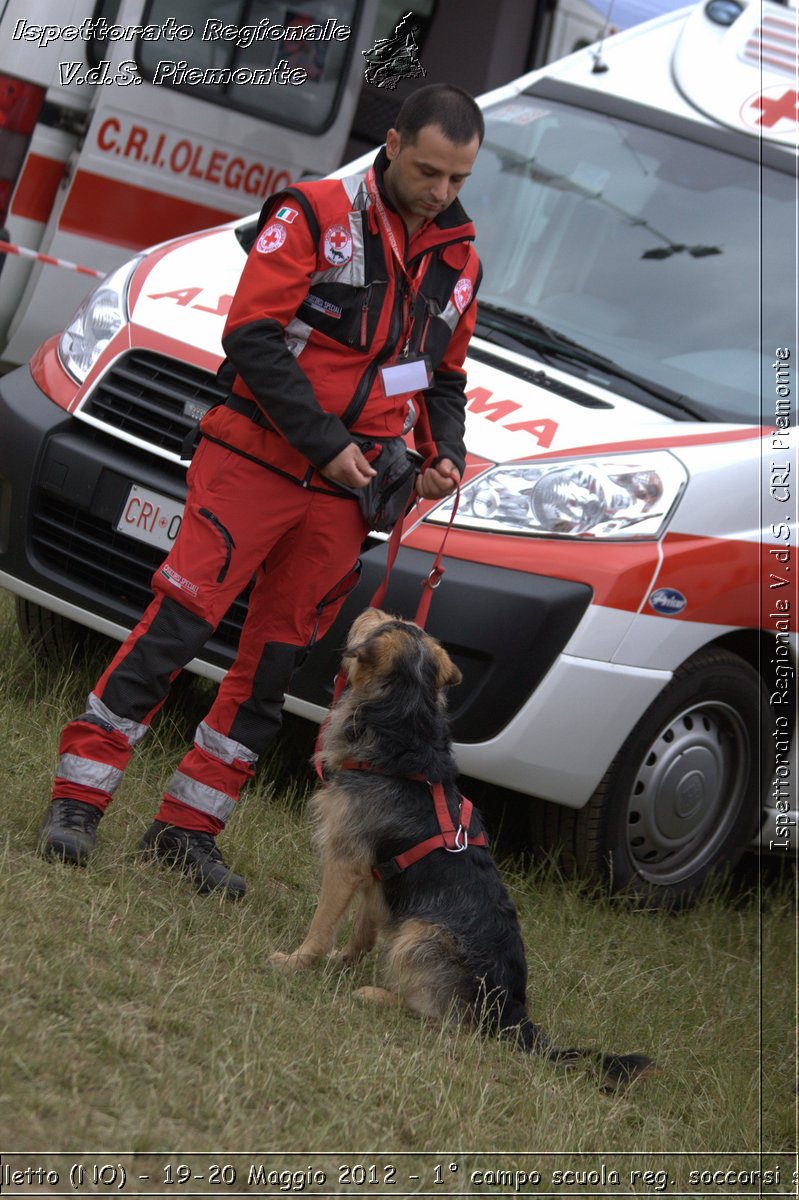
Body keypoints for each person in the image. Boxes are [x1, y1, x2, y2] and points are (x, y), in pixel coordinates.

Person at [36, 83, 485, 899]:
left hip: (344, 497)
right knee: (175, 629)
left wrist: (442, 452)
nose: (440, 193)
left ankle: (187, 829)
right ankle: (77, 801)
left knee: (271, 668)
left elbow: (444, 374)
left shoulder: (458, 256)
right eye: (427, 172)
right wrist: (329, 444)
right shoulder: (313, 214)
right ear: (389, 144)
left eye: (457, 179)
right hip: (255, 463)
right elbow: (249, 334)